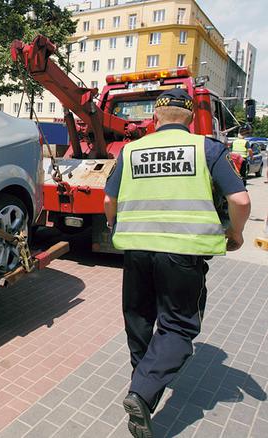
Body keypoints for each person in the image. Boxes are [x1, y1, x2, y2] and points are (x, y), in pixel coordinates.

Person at [103, 88, 251, 438]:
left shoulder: (132, 150)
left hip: (136, 250)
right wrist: (237, 233)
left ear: (155, 118)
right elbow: (240, 199)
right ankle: (142, 392)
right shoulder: (208, 148)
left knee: (139, 319)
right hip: (183, 253)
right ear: (190, 119)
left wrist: (114, 226)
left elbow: (110, 198)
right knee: (179, 326)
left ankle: (142, 388)